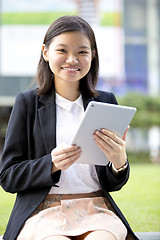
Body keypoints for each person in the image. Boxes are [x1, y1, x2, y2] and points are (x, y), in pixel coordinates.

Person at [0, 16, 139, 240]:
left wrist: (119, 161)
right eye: (62, 50)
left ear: (93, 55)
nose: (72, 59)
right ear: (46, 52)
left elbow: (114, 183)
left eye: (82, 52)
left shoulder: (106, 101)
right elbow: (8, 177)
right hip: (43, 211)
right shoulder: (27, 103)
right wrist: (51, 164)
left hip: (96, 209)